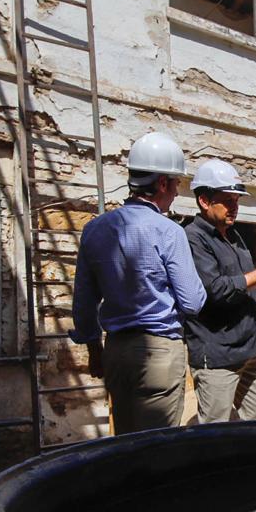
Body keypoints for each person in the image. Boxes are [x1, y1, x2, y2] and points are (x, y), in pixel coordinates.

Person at [70, 131, 207, 434]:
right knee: (158, 449)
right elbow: (192, 302)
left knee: (126, 444)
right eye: (176, 185)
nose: (175, 193)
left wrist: (95, 349)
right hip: (158, 352)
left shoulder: (95, 229)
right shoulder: (169, 231)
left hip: (115, 351)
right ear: (162, 183)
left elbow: (83, 303)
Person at [183, 159, 256, 424]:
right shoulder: (193, 238)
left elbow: (242, 285)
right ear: (204, 201)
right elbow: (215, 290)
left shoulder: (233, 236)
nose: (234, 207)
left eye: (237, 201)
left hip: (249, 349)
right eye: (227, 200)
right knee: (215, 432)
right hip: (218, 355)